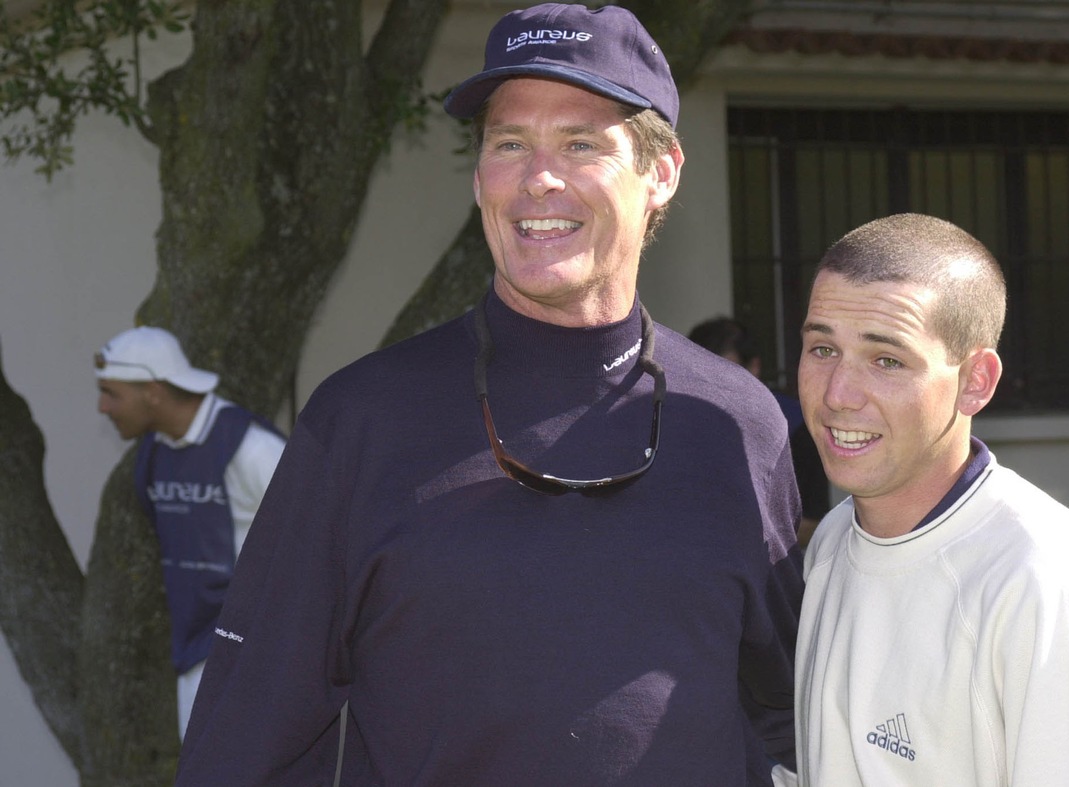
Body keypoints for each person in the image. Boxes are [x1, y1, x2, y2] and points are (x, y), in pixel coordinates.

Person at [176, 4, 805, 785]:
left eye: (581, 143)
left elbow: (790, 713)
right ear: (479, 179)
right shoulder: (360, 423)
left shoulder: (739, 426)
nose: (539, 177)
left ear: (662, 171)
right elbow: (247, 737)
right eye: (509, 143)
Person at [792, 213, 1069, 784]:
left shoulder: (1048, 585)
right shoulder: (832, 542)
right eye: (822, 349)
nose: (837, 395)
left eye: (887, 360)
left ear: (976, 380)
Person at [94, 325, 286, 740]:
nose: (102, 407)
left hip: (258, 659)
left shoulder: (252, 448)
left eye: (112, 393)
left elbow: (321, 540)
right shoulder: (153, 452)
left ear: (153, 391)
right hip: (196, 653)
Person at [688, 317, 830, 544]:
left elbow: (813, 525)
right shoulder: (679, 422)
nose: (711, 387)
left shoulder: (793, 426)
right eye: (700, 375)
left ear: (754, 367)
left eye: (724, 373)